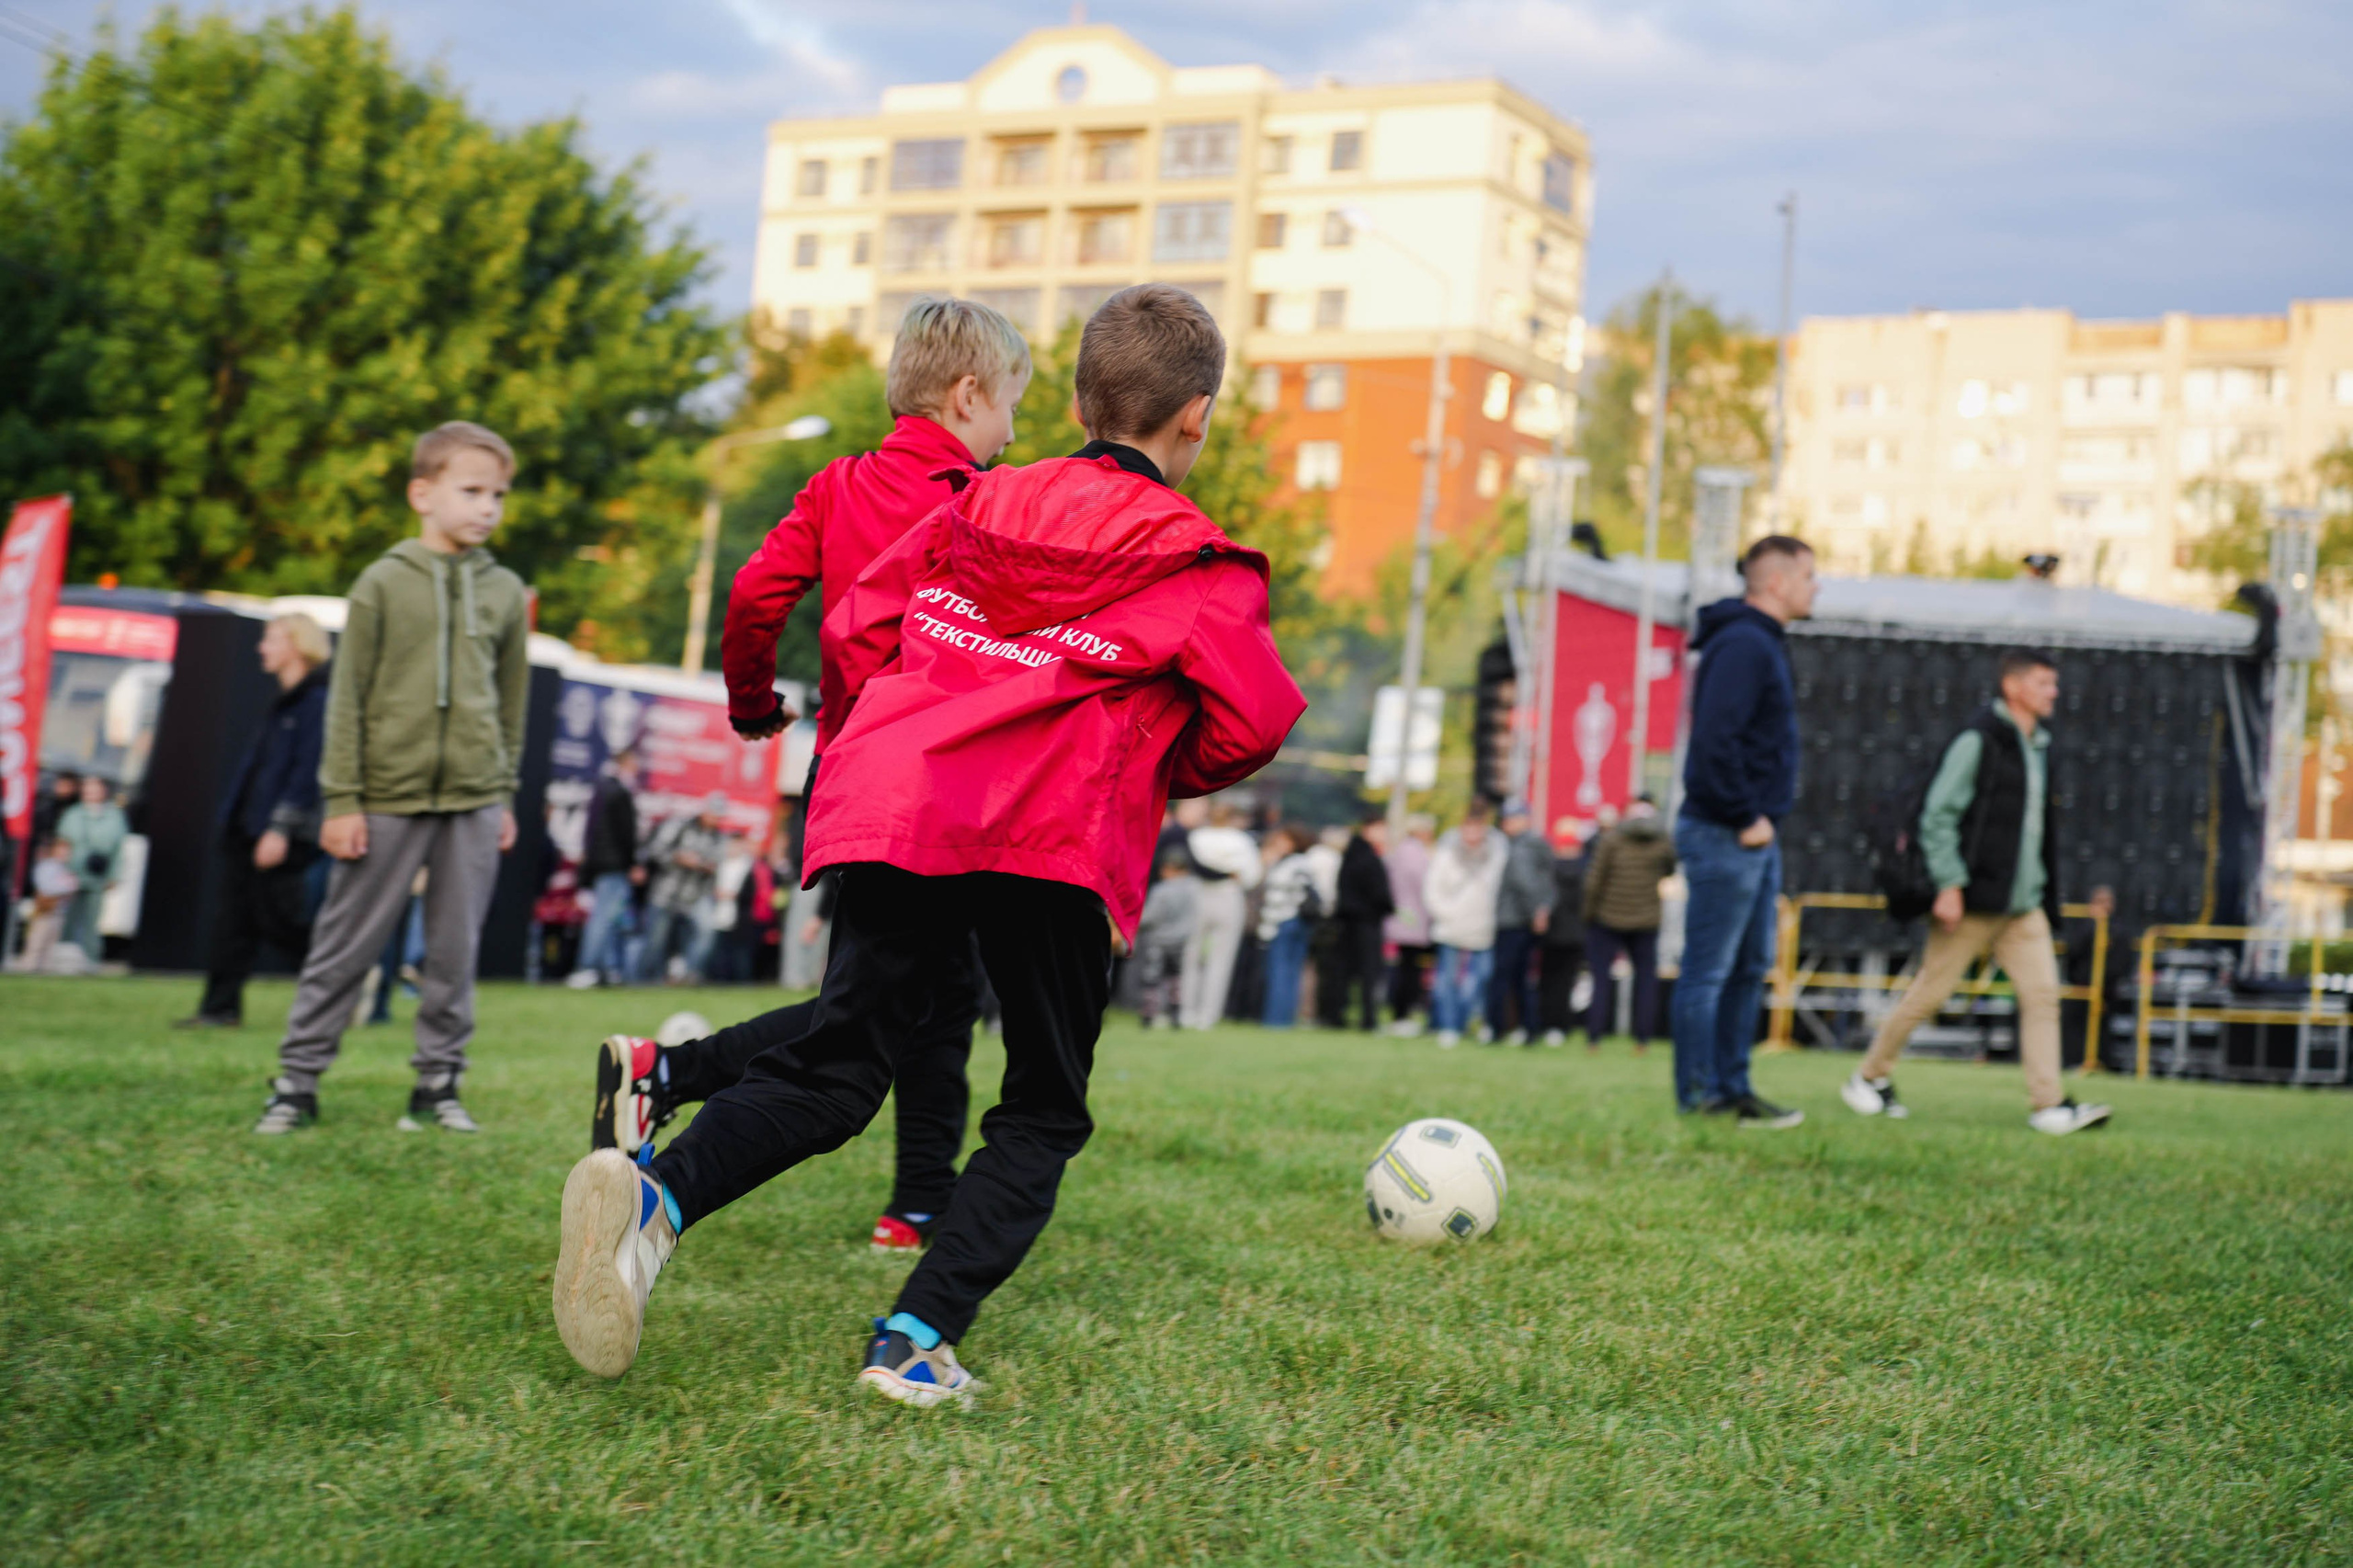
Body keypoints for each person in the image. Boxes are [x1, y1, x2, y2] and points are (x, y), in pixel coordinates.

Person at [551, 281, 1303, 1403]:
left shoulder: (975, 500)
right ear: (1195, 417)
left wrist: (904, 741)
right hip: (1052, 835)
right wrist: (1136, 763)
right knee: (1040, 1104)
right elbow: (1255, 720)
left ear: (1081, 402)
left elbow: (860, 622)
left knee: (837, 1064)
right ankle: (913, 1340)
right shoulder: (1198, 561)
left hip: (903, 805)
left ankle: (660, 1195)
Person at [588, 295, 1031, 1256]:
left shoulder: (838, 482)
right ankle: (670, 1090)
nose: (1011, 432)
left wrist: (753, 702)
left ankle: (917, 1201)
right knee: (874, 1013)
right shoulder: (988, 504)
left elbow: (756, 593)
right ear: (967, 396)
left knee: (928, 992)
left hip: (845, 768)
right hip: (939, 780)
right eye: (1008, 407)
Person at [252, 421, 529, 1136]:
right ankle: (296, 1084)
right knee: (344, 945)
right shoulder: (381, 581)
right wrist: (343, 801)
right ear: (422, 494)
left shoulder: (505, 591)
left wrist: (502, 794)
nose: (488, 507)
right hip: (382, 799)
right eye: (472, 490)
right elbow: (347, 700)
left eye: (498, 494)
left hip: (474, 798)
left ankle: (437, 1086)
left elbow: (511, 703)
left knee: (453, 953)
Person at [1843, 651, 2110, 1134]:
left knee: (2042, 997)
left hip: (2023, 904)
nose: (2054, 693)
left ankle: (2049, 1105)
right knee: (1930, 993)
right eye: (2044, 683)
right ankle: (1868, 1076)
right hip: (1973, 900)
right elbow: (1938, 815)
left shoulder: (2039, 745)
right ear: (2013, 687)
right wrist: (1949, 884)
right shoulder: (1978, 740)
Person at [1669, 535, 1813, 1129]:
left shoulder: (1760, 643)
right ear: (1776, 581)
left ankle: (1733, 1089)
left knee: (1748, 966)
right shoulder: (1744, 645)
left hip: (1752, 834)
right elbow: (1713, 742)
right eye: (1807, 576)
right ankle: (1701, 1095)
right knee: (1710, 970)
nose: (1815, 588)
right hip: (1727, 831)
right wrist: (1746, 814)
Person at [178, 612, 333, 1027]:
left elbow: (308, 774)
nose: (261, 648)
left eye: (272, 640)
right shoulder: (284, 701)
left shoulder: (316, 702)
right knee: (233, 924)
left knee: (280, 921)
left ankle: (339, 983)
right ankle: (220, 1009)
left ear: (297, 646)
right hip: (248, 829)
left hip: (279, 835)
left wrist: (279, 830)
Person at [1582, 794, 1675, 1051]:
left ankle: (1594, 1038)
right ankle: (1642, 1039)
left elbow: (1594, 880)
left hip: (1607, 918)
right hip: (1647, 920)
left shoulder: (1612, 839)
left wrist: (1588, 914)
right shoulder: (1662, 840)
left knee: (1601, 979)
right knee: (1645, 980)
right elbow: (1670, 869)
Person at [1423, 801, 1507, 1048]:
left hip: (1484, 925)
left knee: (1482, 977)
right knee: (1446, 980)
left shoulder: (1496, 854)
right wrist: (1446, 914)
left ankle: (1464, 1020)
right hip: (1451, 925)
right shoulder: (1447, 853)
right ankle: (1449, 1025)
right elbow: (1432, 888)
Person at [1180, 801, 1260, 1029]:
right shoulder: (1241, 840)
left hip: (1198, 893)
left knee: (1191, 954)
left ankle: (1186, 1010)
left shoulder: (1197, 837)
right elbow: (1252, 876)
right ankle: (1208, 1014)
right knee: (1221, 958)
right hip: (1228, 895)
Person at [570, 749, 644, 988]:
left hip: (603, 865)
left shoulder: (601, 788)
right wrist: (632, 863)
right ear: (625, 763)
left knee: (611, 919)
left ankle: (606, 970)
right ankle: (588, 967)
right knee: (603, 918)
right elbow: (626, 833)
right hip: (614, 865)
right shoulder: (619, 791)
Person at [637, 793, 728, 983]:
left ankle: (690, 974)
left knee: (706, 931)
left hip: (695, 895)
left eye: (719, 816)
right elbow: (655, 850)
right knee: (656, 940)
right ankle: (646, 980)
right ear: (704, 811)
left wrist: (700, 864)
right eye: (713, 814)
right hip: (666, 892)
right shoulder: (679, 826)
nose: (715, 819)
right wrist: (677, 857)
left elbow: (716, 863)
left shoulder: (719, 838)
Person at [1487, 797, 1557, 1045]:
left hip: (1514, 920)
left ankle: (1498, 1028)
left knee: (1504, 978)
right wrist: (1543, 909)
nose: (1505, 824)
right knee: (1523, 978)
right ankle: (1528, 1028)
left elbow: (1524, 882)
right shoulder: (1537, 844)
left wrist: (1536, 912)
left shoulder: (1521, 847)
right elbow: (1549, 884)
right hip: (1525, 919)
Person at [54, 774, 129, 963]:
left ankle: (90, 960)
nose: (91, 792)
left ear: (104, 791)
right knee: (67, 918)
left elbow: (119, 850)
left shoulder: (114, 816)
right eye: (88, 788)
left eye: (95, 788)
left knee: (92, 920)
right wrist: (60, 871)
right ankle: (61, 959)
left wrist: (114, 876)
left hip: (98, 876)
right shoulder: (73, 814)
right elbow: (62, 844)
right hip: (72, 874)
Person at [1331, 812, 1394, 1031]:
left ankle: (1338, 1014)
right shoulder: (1367, 857)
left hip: (1349, 920)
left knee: (1345, 972)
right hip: (1366, 922)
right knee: (1368, 972)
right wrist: (1388, 906)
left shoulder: (1351, 854)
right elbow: (1379, 892)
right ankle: (1368, 1018)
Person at [1256, 825, 1316, 1028]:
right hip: (1297, 922)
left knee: (1279, 971)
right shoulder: (1304, 863)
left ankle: (1276, 1019)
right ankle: (1285, 1018)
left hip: (1283, 921)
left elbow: (1278, 895)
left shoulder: (1290, 865)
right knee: (1291, 972)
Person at [1383, 812, 1437, 1035]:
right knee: (1410, 970)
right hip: (1413, 919)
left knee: (1404, 967)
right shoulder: (1414, 853)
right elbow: (1425, 884)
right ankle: (1402, 1014)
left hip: (1404, 917)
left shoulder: (1400, 851)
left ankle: (1400, 1013)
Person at [1538, 818, 1589, 1046]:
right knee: (1567, 981)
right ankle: (1562, 1024)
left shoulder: (1550, 868)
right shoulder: (1585, 868)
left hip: (1552, 932)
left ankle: (1546, 1023)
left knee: (1548, 980)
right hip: (1576, 933)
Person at [1132, 853, 1197, 1028]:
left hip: (1159, 940)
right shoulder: (1193, 889)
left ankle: (1148, 1014)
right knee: (1175, 978)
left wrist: (1134, 921)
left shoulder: (1161, 890)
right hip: (1181, 941)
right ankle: (1175, 1014)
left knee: (1152, 979)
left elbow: (1152, 917)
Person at [21, 837, 81, 972]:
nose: (65, 854)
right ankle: (28, 969)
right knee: (37, 942)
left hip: (58, 911)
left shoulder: (64, 868)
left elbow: (72, 886)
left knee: (50, 944)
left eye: (67, 852)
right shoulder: (47, 866)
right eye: (62, 850)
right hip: (45, 910)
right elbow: (47, 887)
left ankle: (44, 971)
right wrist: (66, 887)